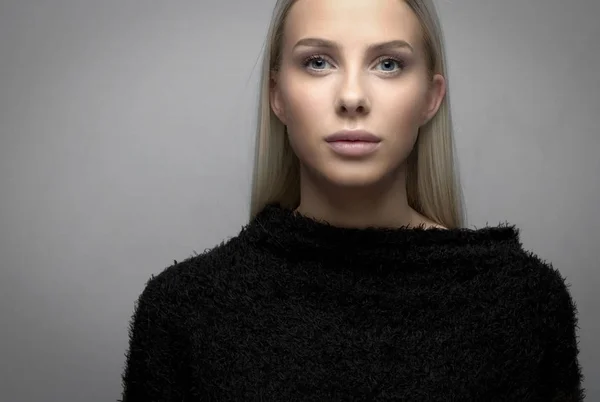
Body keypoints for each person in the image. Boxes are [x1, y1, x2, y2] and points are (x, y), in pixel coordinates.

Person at [120, 0, 585, 400]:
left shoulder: (523, 302)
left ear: (431, 97)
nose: (352, 97)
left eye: (388, 64)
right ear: (277, 95)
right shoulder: (183, 310)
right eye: (319, 61)